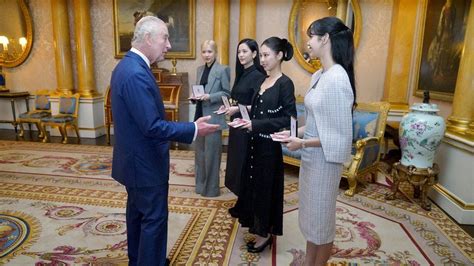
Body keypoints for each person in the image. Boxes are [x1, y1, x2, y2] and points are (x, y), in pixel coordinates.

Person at [110, 16, 219, 265]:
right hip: (144, 165)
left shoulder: (127, 67)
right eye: (165, 38)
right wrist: (192, 128)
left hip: (135, 161)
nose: (168, 45)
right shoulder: (136, 73)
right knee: (153, 220)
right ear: (148, 38)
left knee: (138, 216)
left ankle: (138, 259)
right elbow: (151, 126)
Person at [275, 17, 356, 265]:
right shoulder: (320, 74)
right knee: (312, 216)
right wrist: (294, 133)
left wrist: (302, 144)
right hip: (313, 156)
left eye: (311, 36)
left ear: (326, 39)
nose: (308, 42)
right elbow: (316, 121)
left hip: (325, 160)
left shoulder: (338, 78)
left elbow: (339, 135)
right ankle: (310, 261)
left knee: (321, 219)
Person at [232, 37, 296, 253]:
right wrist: (243, 116)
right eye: (262, 55)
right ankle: (257, 228)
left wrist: (256, 124)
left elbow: (289, 119)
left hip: (269, 148)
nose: (263, 59)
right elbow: (258, 109)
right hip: (253, 144)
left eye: (267, 55)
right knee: (252, 187)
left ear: (279, 56)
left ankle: (265, 235)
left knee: (265, 190)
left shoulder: (285, 83)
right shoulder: (263, 81)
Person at [224, 38, 266, 201]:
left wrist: (237, 108)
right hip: (236, 124)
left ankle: (247, 202)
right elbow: (236, 98)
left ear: (254, 54)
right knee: (236, 163)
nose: (240, 55)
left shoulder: (258, 76)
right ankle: (241, 200)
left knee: (245, 164)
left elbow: (257, 105)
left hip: (248, 127)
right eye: (239, 52)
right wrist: (229, 107)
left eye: (245, 51)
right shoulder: (241, 74)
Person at [192, 40, 231, 197]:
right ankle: (200, 187)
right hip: (199, 116)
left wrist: (209, 96)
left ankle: (211, 190)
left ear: (215, 53)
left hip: (214, 118)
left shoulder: (223, 70)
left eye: (209, 52)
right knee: (200, 155)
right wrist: (194, 97)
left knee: (212, 156)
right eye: (204, 52)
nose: (206, 55)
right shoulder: (199, 70)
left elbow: (227, 94)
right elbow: (198, 92)